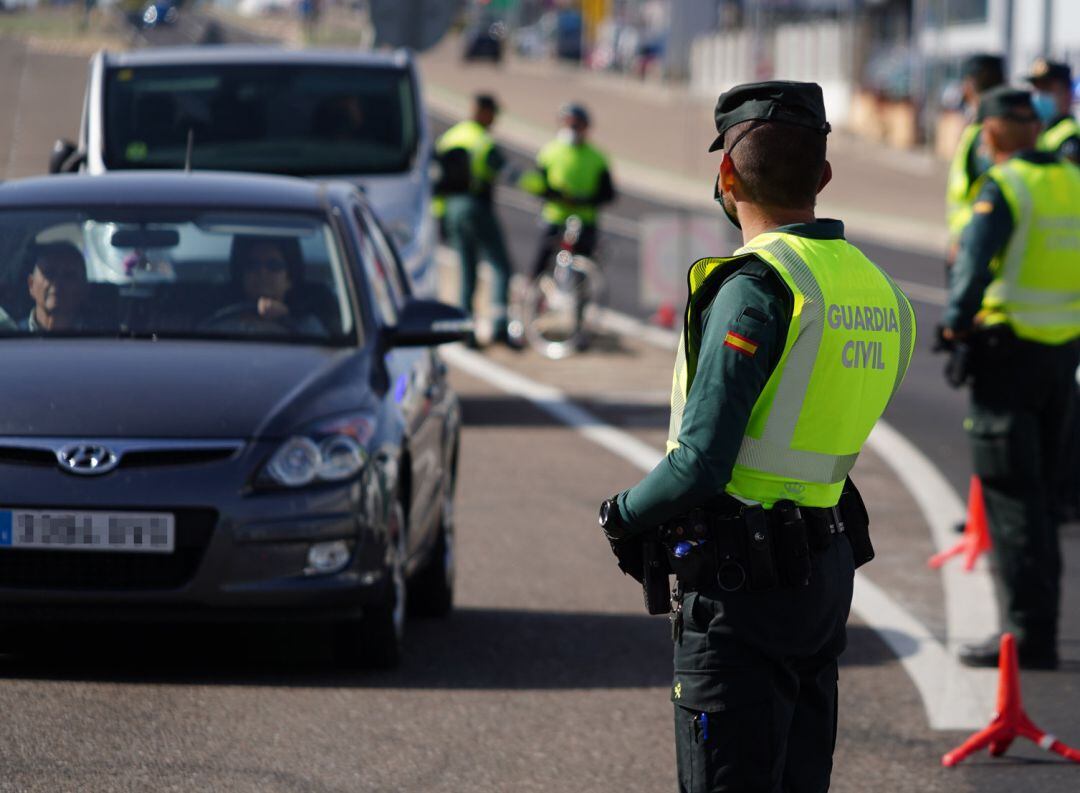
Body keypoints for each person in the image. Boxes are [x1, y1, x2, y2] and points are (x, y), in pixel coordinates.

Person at [598, 82, 915, 792]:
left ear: (726, 176)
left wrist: (622, 513)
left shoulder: (756, 287)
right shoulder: (880, 292)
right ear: (824, 177)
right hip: (823, 575)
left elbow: (701, 460)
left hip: (742, 589)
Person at [941, 87, 1080, 671]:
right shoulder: (1073, 180)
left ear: (992, 132)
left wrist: (953, 324)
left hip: (1009, 356)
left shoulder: (1004, 187)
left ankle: (1032, 637)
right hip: (1064, 357)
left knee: (1014, 499)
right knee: (1047, 499)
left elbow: (971, 269)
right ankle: (1041, 625)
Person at [434, 94, 517, 348]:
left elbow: (436, 180)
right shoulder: (483, 141)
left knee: (467, 269)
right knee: (501, 266)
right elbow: (506, 172)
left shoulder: (450, 137)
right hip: (476, 205)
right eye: (493, 114)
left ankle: (466, 330)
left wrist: (439, 215)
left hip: (451, 208)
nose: (494, 120)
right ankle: (500, 327)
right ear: (484, 112)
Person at [521, 102, 615, 278]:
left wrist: (585, 201)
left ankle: (579, 300)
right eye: (569, 122)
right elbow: (536, 183)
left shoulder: (597, 157)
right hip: (555, 215)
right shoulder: (550, 151)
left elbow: (608, 193)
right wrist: (553, 195)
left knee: (586, 267)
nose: (572, 127)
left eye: (577, 123)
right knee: (541, 261)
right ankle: (531, 291)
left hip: (585, 219)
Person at [946, 54, 1006, 263]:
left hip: (975, 241)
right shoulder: (986, 127)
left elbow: (989, 191)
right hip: (975, 238)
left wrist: (964, 240)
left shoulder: (985, 133)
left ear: (970, 85)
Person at [207, 235, 326, 336]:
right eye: (252, 265)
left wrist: (286, 319)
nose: (262, 273)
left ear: (289, 279)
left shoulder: (307, 324)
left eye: (273, 266)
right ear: (242, 276)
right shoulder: (220, 322)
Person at [22, 242, 90, 333]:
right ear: (31, 285)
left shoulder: (104, 340)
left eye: (68, 275)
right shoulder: (9, 336)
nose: (57, 282)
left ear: (83, 289)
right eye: (49, 273)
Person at [1024, 58, 1080, 163]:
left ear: (1067, 94)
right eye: (1036, 89)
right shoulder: (1038, 130)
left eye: (1046, 89)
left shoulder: (1070, 137)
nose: (1039, 96)